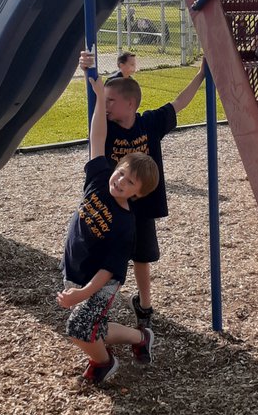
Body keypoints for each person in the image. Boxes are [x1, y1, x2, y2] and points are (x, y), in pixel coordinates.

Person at [80, 51, 206, 329]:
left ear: (130, 104)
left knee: (142, 256)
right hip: (112, 206)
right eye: (106, 101)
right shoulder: (107, 128)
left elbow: (178, 104)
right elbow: (96, 130)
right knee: (107, 256)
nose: (107, 106)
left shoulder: (149, 123)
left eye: (112, 101)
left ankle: (144, 304)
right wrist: (90, 74)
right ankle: (97, 302)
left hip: (142, 204)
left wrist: (199, 76)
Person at [56, 68, 160, 386]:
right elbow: (97, 137)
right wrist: (100, 97)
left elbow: (109, 270)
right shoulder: (100, 177)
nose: (120, 181)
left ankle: (104, 362)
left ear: (137, 194)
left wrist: (82, 294)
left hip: (102, 281)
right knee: (95, 327)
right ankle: (141, 337)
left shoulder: (125, 225)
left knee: (78, 329)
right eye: (121, 173)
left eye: (129, 183)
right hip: (80, 268)